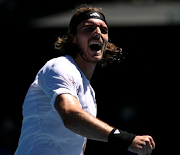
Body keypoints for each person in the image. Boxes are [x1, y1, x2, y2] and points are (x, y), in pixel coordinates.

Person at [15, 4, 155, 155]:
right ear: (73, 39)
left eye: (104, 30)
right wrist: (126, 139)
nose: (98, 33)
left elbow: (79, 145)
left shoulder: (89, 93)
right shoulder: (60, 65)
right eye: (89, 28)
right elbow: (71, 116)